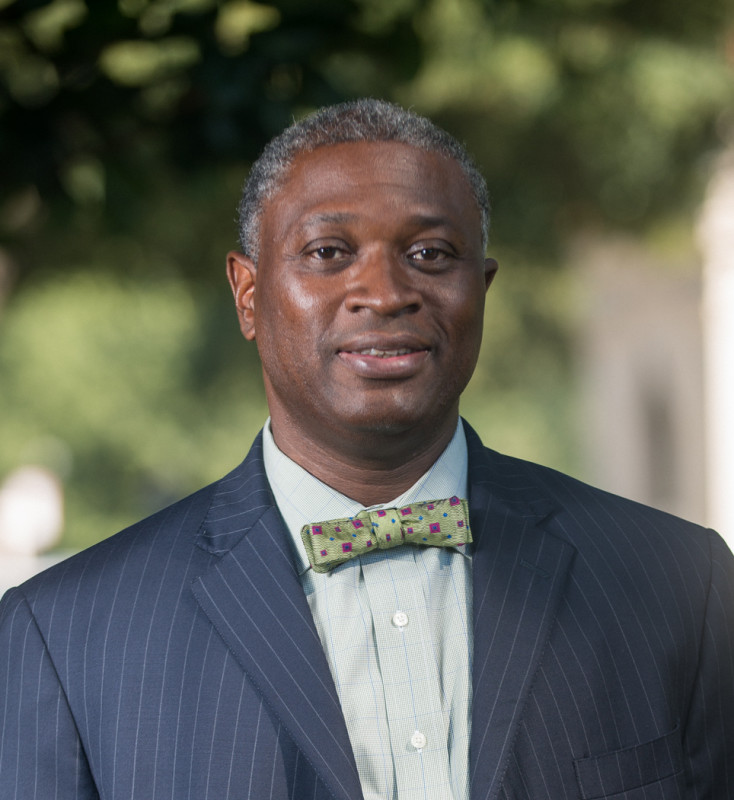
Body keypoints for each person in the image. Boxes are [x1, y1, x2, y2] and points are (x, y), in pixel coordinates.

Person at [0, 99, 732, 800]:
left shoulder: (679, 589)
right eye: (328, 251)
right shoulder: (63, 638)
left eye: (430, 253)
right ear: (248, 295)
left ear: (483, 286)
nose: (384, 292)